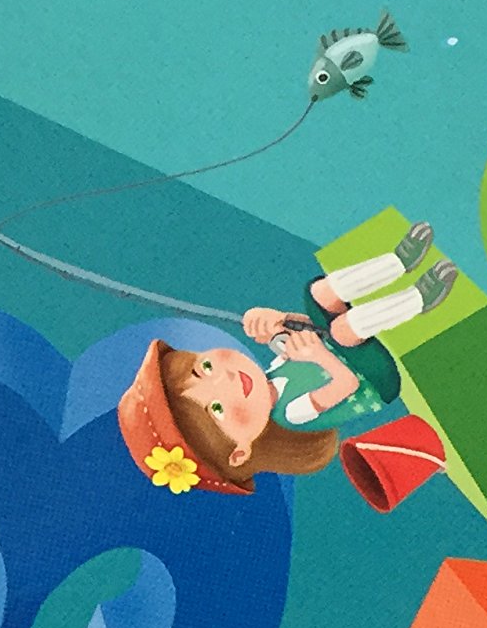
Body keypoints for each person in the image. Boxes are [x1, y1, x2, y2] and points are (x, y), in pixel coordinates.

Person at [115, 219, 455, 510]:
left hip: (341, 349)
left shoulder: (271, 375)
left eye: (204, 369)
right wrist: (318, 355)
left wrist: (280, 320)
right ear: (240, 452)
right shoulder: (292, 414)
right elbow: (346, 384)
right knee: (342, 329)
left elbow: (309, 331)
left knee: (320, 293)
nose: (225, 380)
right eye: (217, 408)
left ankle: (398, 261)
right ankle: (419, 297)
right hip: (373, 378)